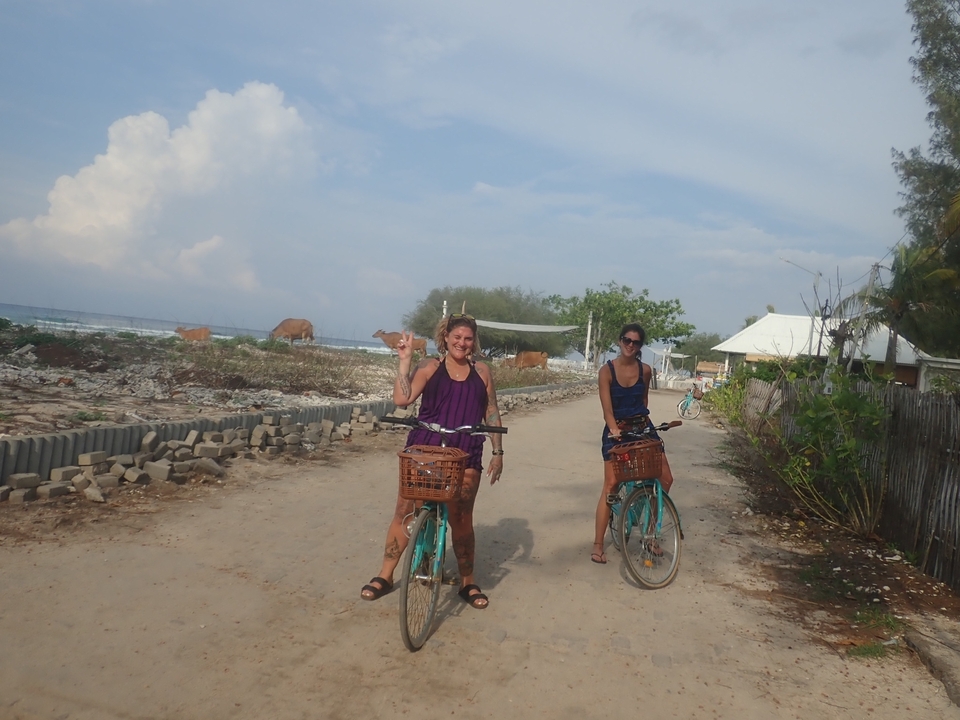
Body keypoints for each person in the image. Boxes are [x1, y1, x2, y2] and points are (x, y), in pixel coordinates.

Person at [360, 314, 504, 608]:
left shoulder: (482, 372)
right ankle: (385, 575)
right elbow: (402, 399)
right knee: (405, 511)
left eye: (468, 339)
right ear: (446, 337)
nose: (462, 343)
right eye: (457, 337)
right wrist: (404, 362)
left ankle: (467, 582)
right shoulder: (429, 367)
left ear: (473, 341)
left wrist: (498, 452)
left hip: (465, 450)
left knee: (461, 518)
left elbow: (491, 411)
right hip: (425, 448)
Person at [592, 323, 675, 564]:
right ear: (620, 341)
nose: (630, 345)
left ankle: (649, 535)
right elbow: (607, 410)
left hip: (643, 428)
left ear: (640, 346)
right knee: (611, 485)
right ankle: (598, 544)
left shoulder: (646, 370)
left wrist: (644, 426)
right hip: (616, 431)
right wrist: (615, 429)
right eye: (627, 340)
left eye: (636, 342)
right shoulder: (606, 371)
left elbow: (643, 400)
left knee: (665, 479)